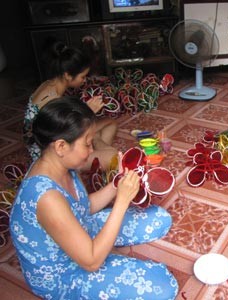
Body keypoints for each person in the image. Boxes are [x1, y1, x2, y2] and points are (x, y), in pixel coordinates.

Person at [10, 96, 178, 299]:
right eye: (88, 144)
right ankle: (103, 252)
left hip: (82, 228)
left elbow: (84, 206)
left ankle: (104, 246)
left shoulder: (62, 164)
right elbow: (91, 262)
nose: (91, 151)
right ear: (61, 146)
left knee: (159, 218)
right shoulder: (46, 198)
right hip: (65, 275)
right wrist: (122, 202)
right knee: (162, 287)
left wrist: (118, 183)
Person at [24, 41, 118, 170]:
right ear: (68, 75)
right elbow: (64, 136)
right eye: (82, 77)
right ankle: (98, 151)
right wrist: (88, 111)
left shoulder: (48, 85)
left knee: (110, 123)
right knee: (113, 157)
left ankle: (96, 148)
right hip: (53, 154)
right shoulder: (51, 100)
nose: (84, 81)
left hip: (60, 135)